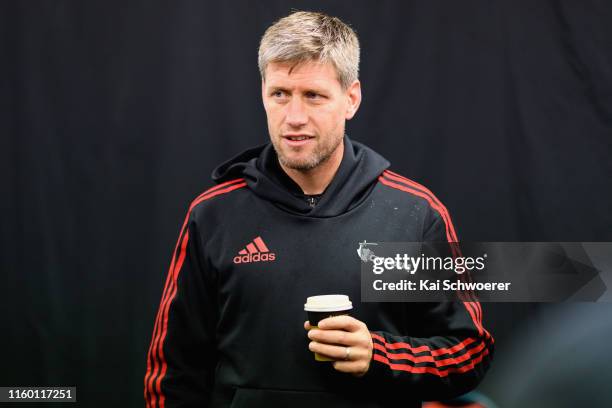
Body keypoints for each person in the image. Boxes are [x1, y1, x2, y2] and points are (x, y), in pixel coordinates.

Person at [144, 11, 493, 408]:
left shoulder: (412, 215)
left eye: (313, 95)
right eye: (280, 94)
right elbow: (172, 374)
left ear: (351, 98)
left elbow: (469, 353)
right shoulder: (213, 214)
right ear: (263, 93)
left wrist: (380, 356)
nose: (294, 118)